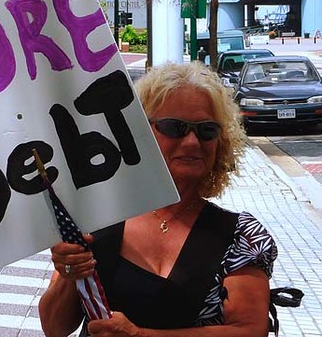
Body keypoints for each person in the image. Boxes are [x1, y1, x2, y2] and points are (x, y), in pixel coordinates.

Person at [38, 61, 277, 336]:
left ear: (220, 142)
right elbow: (54, 328)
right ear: (138, 132)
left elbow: (250, 330)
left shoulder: (240, 237)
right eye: (174, 127)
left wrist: (140, 335)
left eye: (206, 130)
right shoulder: (98, 216)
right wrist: (69, 274)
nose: (192, 142)